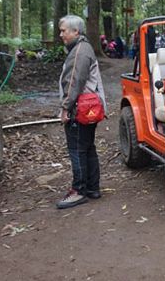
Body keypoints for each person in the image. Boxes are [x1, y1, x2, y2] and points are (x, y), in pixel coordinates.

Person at [57, 15, 107, 209]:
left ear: (75, 31)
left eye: (64, 31)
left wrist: (65, 108)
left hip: (80, 109)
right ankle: (92, 187)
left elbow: (73, 82)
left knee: (77, 149)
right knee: (87, 147)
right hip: (87, 108)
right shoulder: (83, 48)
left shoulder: (79, 51)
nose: (61, 34)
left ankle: (79, 190)